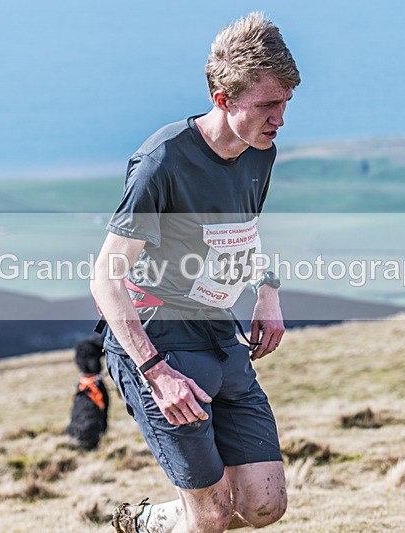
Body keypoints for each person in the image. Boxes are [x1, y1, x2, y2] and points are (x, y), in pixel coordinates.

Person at [91, 12, 300, 533]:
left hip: (218, 332)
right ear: (223, 98)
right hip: (158, 341)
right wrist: (156, 372)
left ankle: (148, 522)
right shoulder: (162, 162)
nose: (280, 119)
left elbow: (245, 229)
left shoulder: (260, 151)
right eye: (268, 105)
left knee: (263, 506)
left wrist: (267, 292)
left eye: (286, 104)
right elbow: (105, 278)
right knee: (210, 516)